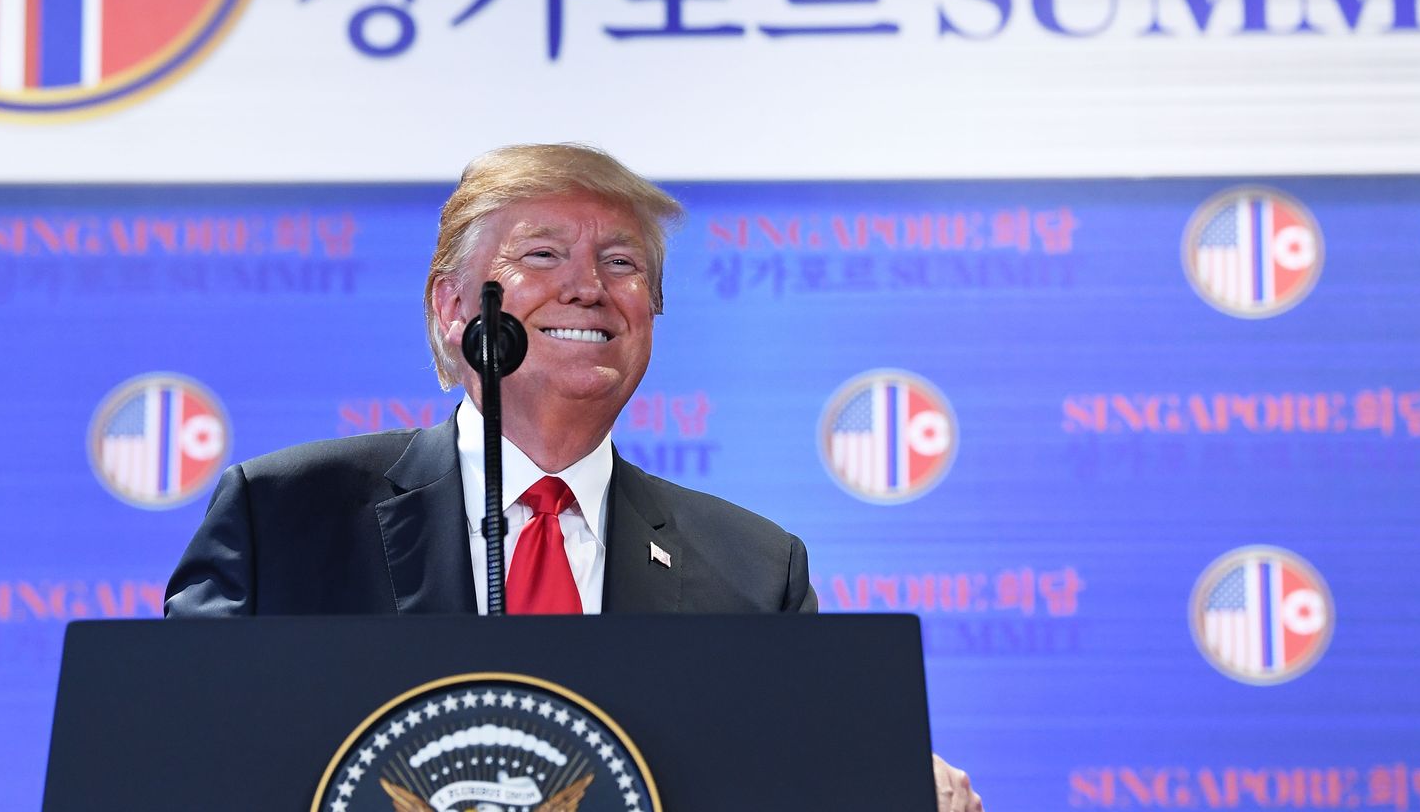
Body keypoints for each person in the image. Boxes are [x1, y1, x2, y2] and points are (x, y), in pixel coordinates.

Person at [165, 143, 983, 812]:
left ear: (650, 314)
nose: (589, 287)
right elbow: (178, 758)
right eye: (543, 255)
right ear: (453, 308)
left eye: (622, 262)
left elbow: (802, 773)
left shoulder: (754, 570)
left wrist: (885, 783)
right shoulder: (286, 519)